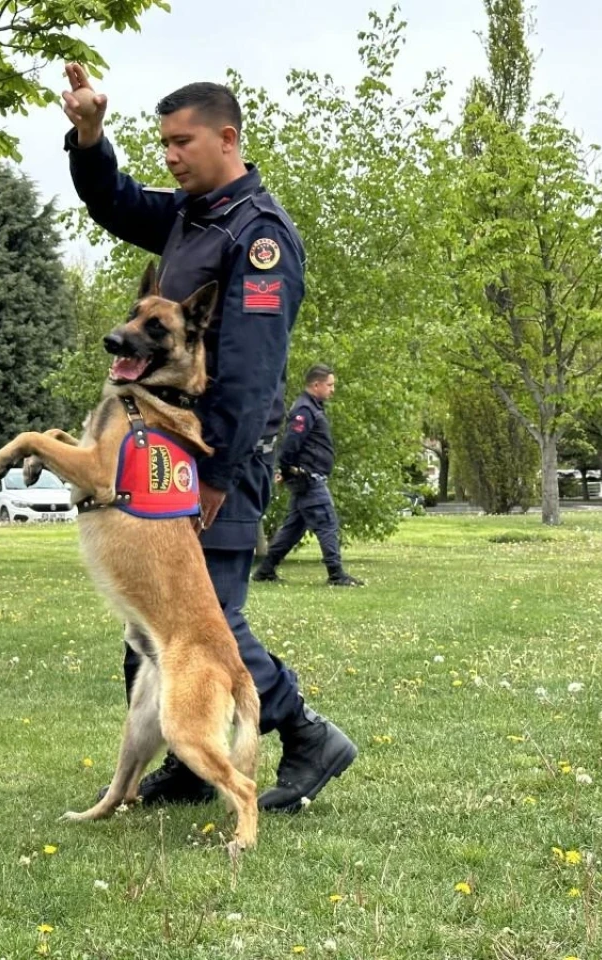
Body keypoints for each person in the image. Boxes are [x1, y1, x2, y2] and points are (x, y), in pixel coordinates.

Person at [62, 65, 356, 812]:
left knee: (209, 621)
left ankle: (309, 734)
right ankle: (187, 763)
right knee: (155, 620)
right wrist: (91, 136)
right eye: (162, 143)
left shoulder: (258, 236)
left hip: (217, 458)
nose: (169, 156)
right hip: (166, 456)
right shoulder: (190, 216)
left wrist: (218, 472)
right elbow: (113, 200)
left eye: (181, 141)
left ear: (227, 138)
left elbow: (255, 370)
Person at [253, 365, 364, 586]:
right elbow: (291, 443)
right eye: (330, 385)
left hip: (307, 478)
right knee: (327, 523)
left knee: (293, 529)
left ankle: (265, 571)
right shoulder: (304, 410)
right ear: (316, 385)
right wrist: (285, 470)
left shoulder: (313, 408)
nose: (333, 390)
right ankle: (336, 574)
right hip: (309, 478)